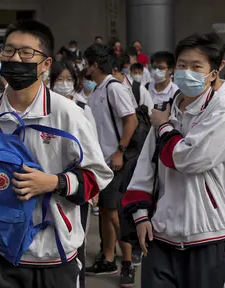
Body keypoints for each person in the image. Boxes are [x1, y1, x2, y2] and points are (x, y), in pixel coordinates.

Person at [0, 19, 113, 288]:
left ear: (46, 64)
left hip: (53, 253)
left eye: (26, 53)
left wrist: (53, 182)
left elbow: (97, 176)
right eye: (9, 51)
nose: (15, 58)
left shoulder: (68, 114)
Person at [123, 32, 225, 288]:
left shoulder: (223, 111)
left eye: (196, 67)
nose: (187, 72)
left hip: (206, 235)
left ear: (213, 74)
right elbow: (145, 166)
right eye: (182, 65)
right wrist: (140, 215)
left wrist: (164, 128)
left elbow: (189, 158)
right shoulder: (166, 110)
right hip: (160, 235)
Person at [84, 43, 138, 287]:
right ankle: (108, 257)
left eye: (87, 63)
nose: (84, 68)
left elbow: (131, 120)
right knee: (105, 211)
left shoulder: (114, 88)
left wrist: (120, 151)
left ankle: (127, 262)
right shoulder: (97, 91)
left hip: (116, 161)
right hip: (102, 163)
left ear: (94, 64)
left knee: (116, 213)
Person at [49, 60, 97, 288]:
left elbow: (93, 148)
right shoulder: (47, 109)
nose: (64, 84)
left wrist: (94, 185)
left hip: (77, 184)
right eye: (60, 79)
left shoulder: (84, 109)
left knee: (77, 241)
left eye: (69, 79)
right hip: (48, 183)